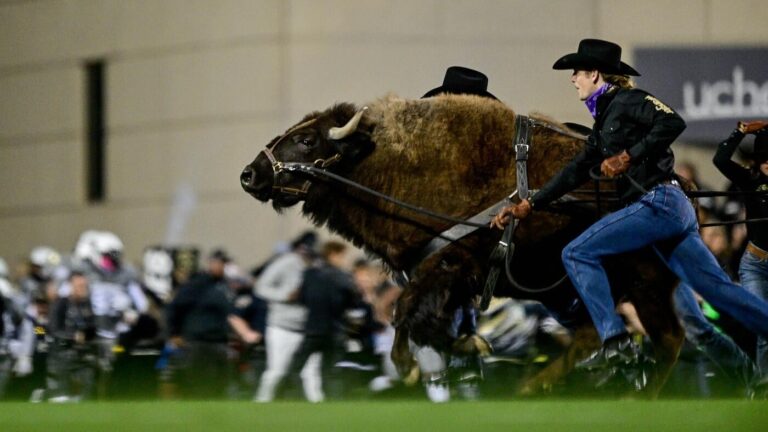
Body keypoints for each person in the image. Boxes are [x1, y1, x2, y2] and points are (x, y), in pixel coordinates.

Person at [491, 38, 768, 374]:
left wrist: (628, 156)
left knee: (576, 253)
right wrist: (528, 205)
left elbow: (673, 122)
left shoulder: (630, 100)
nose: (572, 78)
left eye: (577, 71)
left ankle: (614, 341)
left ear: (594, 73)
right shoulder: (604, 122)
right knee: (719, 291)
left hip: (659, 204)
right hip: (666, 211)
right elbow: (574, 171)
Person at [713, 119, 768, 390]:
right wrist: (740, 131)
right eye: (764, 160)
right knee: (763, 325)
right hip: (756, 263)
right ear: (757, 163)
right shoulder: (748, 179)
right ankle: (763, 384)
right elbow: (720, 159)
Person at [165, 249, 257, 398]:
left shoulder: (224, 286)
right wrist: (174, 333)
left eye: (224, 263)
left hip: (218, 341)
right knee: (198, 384)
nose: (222, 266)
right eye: (219, 263)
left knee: (219, 385)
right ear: (211, 263)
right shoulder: (197, 283)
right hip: (197, 342)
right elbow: (176, 307)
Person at [254, 231, 320, 402]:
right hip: (281, 326)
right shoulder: (287, 262)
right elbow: (260, 286)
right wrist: (284, 295)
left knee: (311, 372)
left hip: (306, 327)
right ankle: (261, 403)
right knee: (277, 370)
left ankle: (319, 407)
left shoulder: (316, 267)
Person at [47, 271, 98, 402]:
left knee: (88, 392)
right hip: (62, 355)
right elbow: (53, 330)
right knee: (62, 397)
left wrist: (89, 334)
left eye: (84, 286)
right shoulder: (61, 304)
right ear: (70, 286)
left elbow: (92, 326)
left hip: (83, 355)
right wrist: (73, 336)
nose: (82, 289)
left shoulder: (87, 304)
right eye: (79, 286)